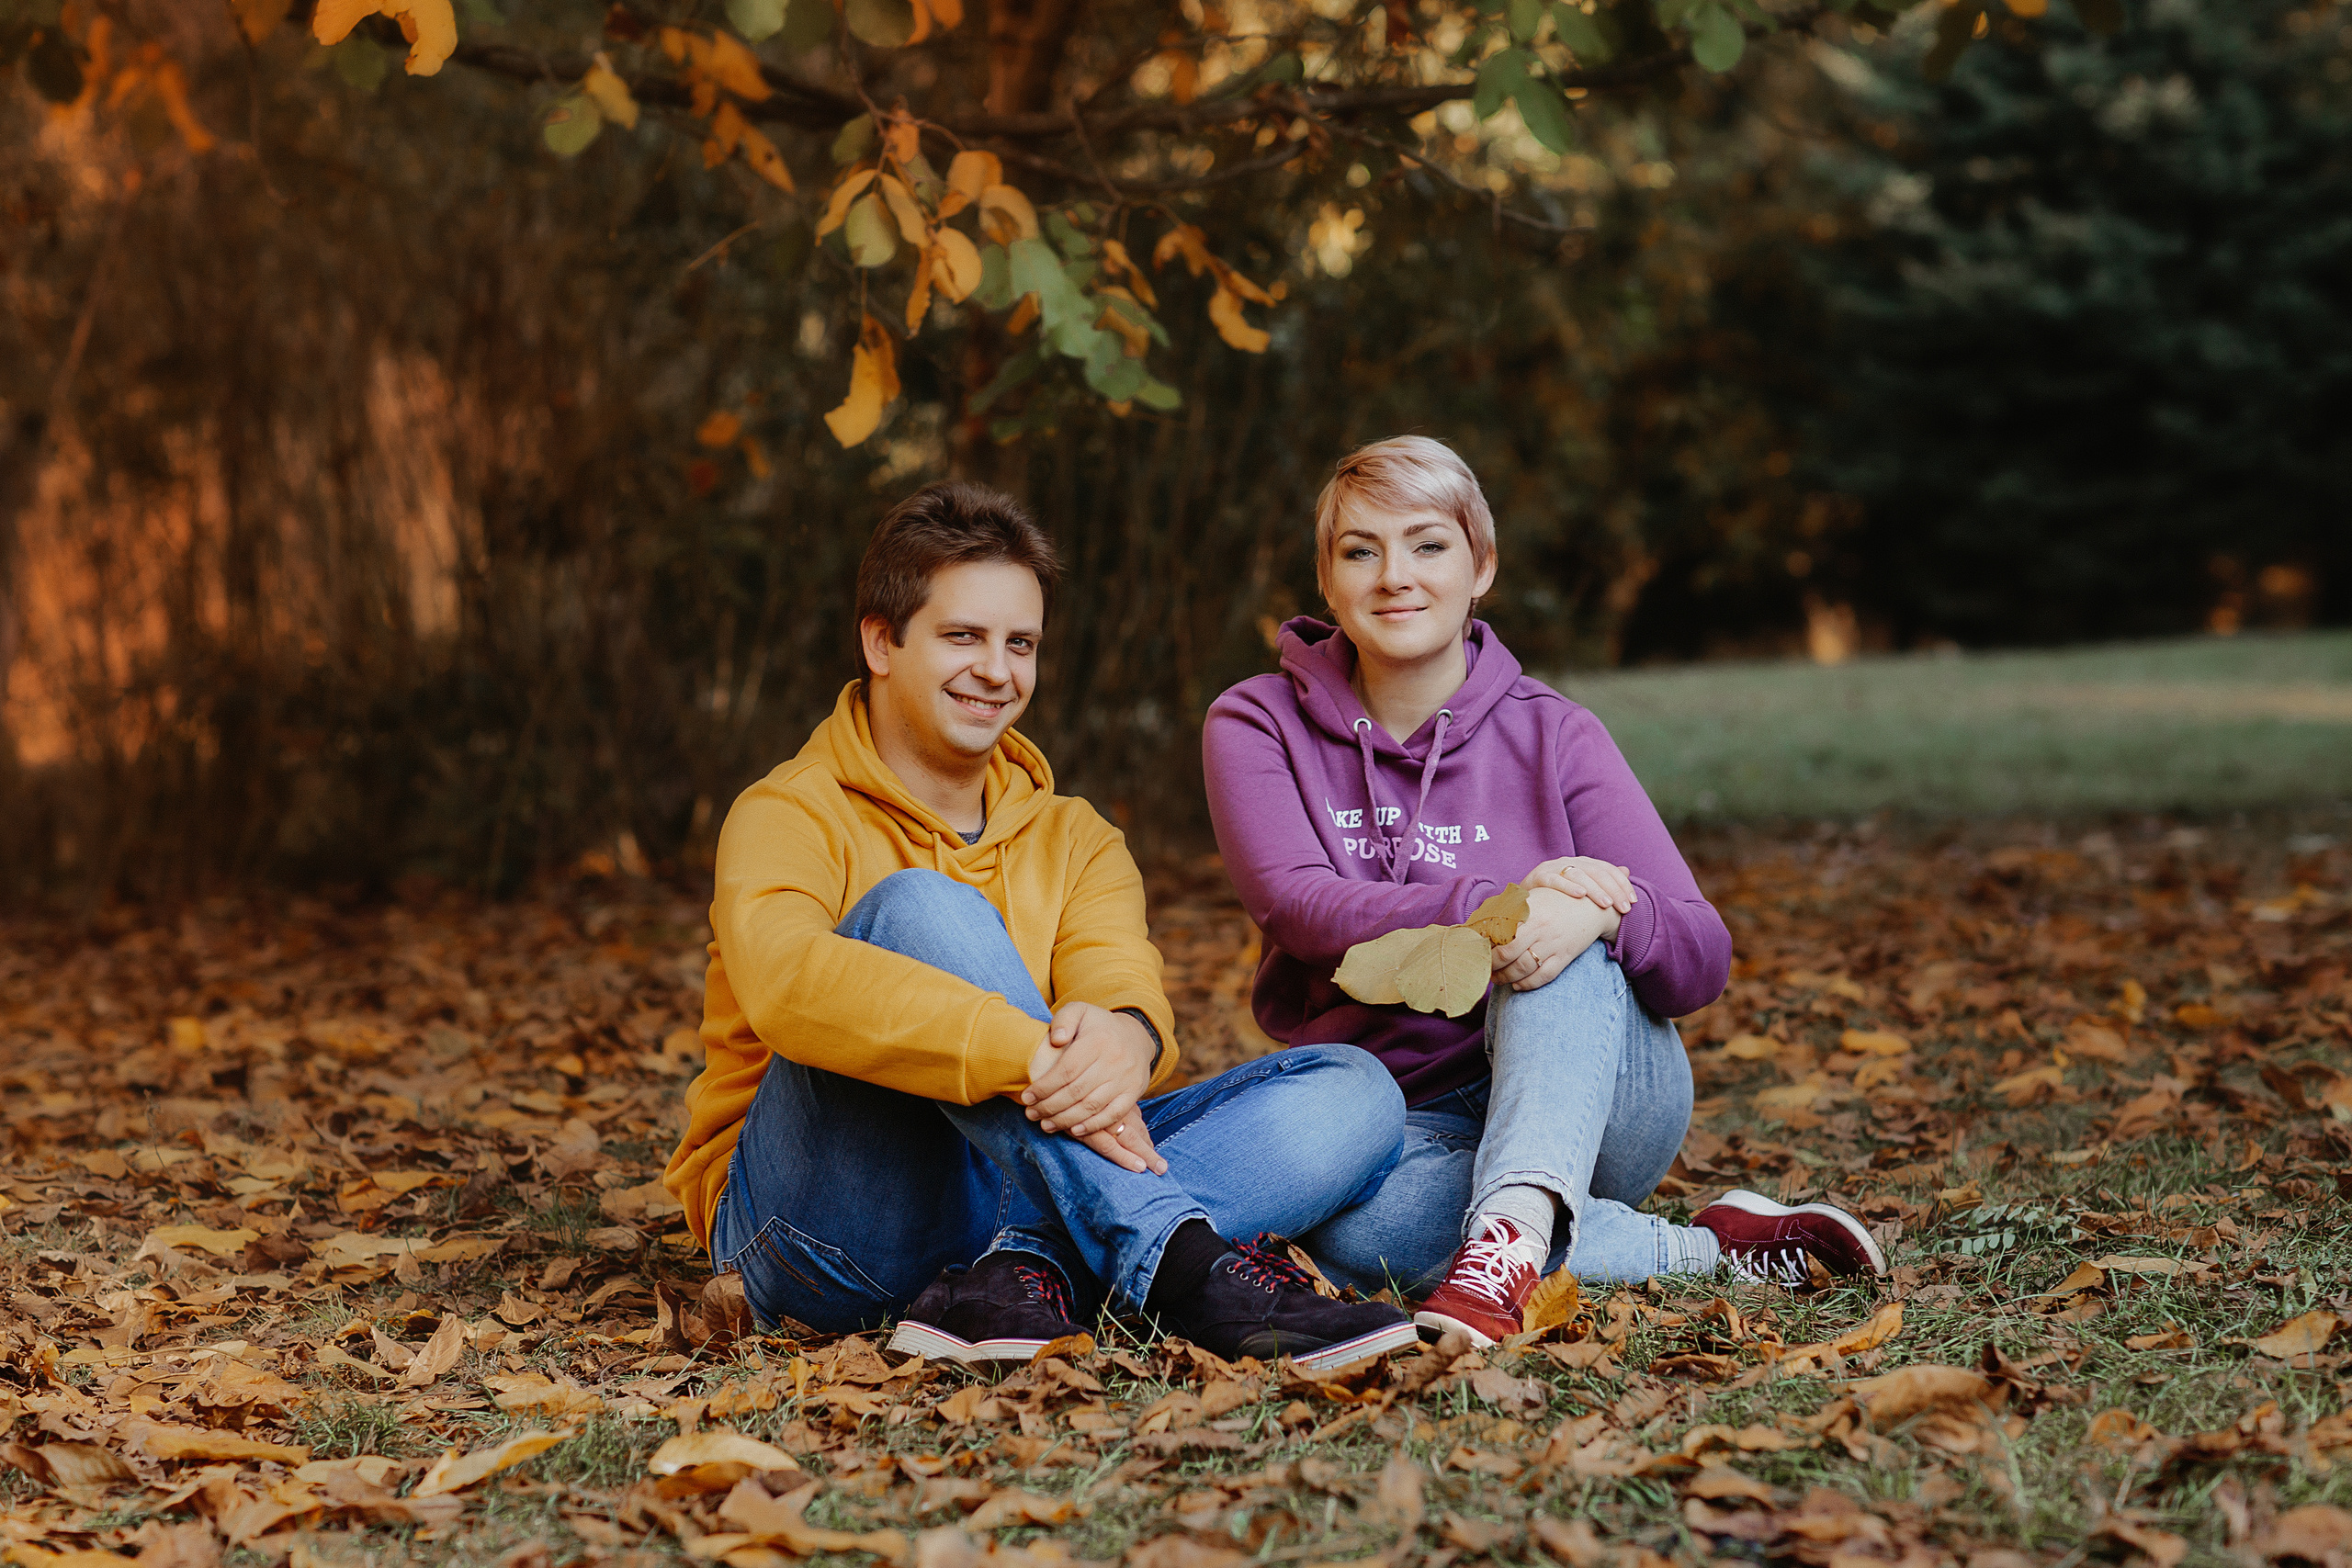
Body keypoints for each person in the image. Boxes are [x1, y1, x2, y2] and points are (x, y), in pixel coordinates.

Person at [662, 480, 1419, 1371]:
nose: (997, 670)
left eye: (1019, 644)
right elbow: (788, 989)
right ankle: (1179, 1265)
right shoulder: (787, 810)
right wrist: (1024, 1050)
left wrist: (1127, 1041)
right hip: (813, 1229)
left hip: (1009, 1195)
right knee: (919, 907)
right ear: (880, 640)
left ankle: (1021, 1270)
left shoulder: (1077, 836)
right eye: (962, 637)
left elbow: (1120, 987)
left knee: (1355, 1090)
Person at [1201, 436, 1885, 1348]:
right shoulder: (1256, 721)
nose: (1394, 575)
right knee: (1364, 1238)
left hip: (1602, 1092)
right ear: (1326, 582)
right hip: (1400, 1121)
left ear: (1480, 566)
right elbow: (1297, 904)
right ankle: (1698, 1250)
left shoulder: (1555, 732)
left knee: (1564, 928)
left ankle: (1510, 1234)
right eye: (1360, 550)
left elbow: (1698, 953)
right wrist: (1503, 899)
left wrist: (1601, 909)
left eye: (1427, 546)